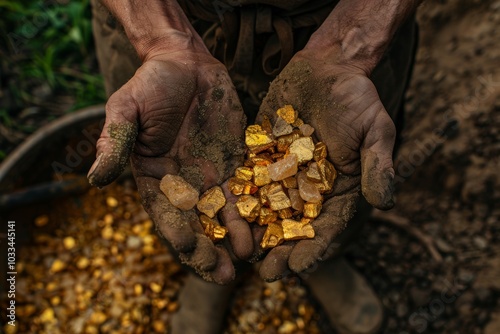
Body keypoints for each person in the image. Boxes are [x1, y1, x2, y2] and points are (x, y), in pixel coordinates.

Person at [88, 0, 420, 333]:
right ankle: (210, 273)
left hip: (348, 26)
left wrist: (353, 44)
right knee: (169, 175)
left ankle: (327, 258)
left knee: (348, 173)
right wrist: (160, 40)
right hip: (159, 21)